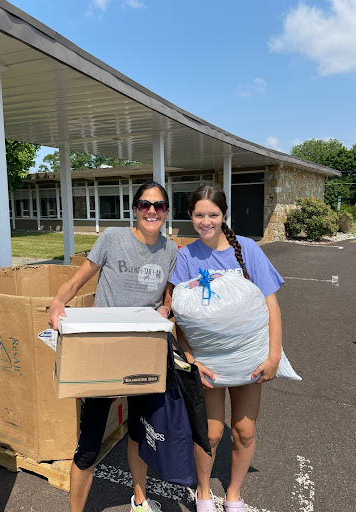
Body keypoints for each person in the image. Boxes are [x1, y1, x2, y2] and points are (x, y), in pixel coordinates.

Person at [48, 181, 177, 512]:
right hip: (104, 352)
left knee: (137, 433)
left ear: (166, 211)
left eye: (159, 206)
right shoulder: (112, 238)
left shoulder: (170, 251)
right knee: (90, 442)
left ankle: (140, 500)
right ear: (134, 209)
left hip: (141, 353)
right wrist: (57, 302)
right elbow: (79, 280)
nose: (152, 211)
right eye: (145, 205)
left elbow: (167, 297)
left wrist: (166, 310)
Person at [169, 185, 284, 512]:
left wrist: (274, 355)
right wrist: (191, 361)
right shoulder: (187, 257)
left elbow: (270, 305)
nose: (206, 221)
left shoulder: (247, 249)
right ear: (190, 216)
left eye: (213, 215)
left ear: (224, 215)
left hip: (250, 359)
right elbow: (180, 316)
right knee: (213, 433)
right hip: (208, 362)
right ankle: (203, 492)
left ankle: (233, 494)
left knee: (245, 431)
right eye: (199, 215)